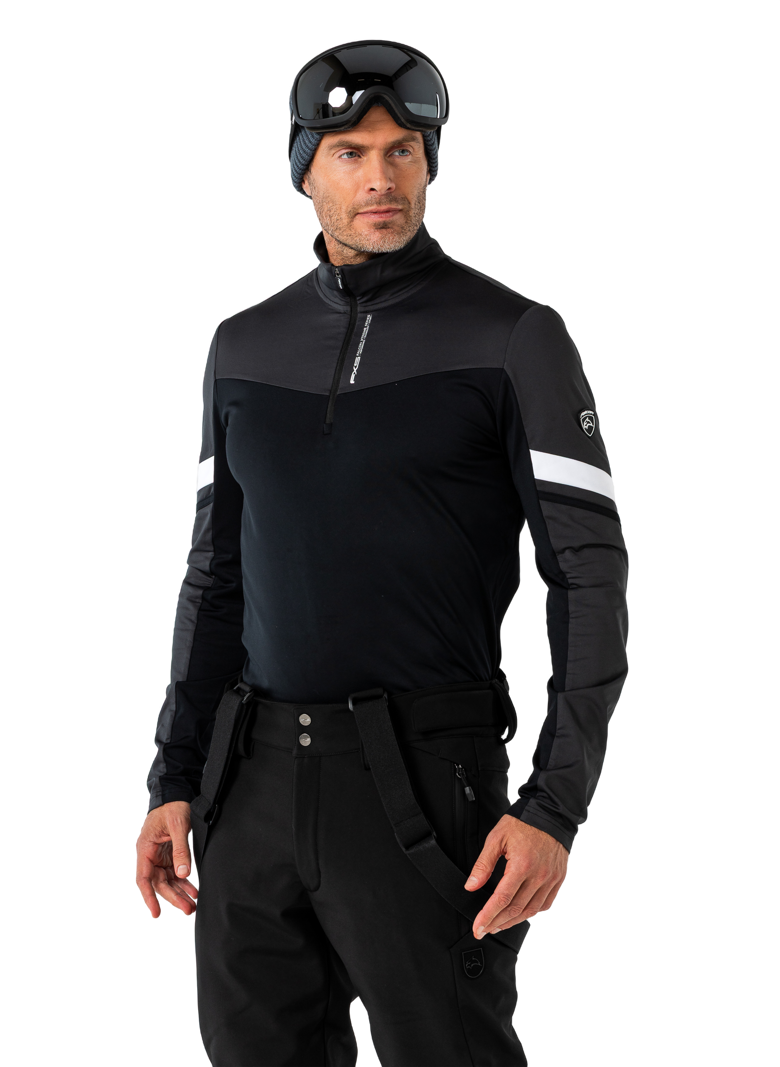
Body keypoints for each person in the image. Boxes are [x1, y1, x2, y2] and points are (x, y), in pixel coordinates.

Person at [134, 37, 629, 1067]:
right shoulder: (242, 347)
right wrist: (173, 778)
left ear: (429, 163)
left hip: (427, 783)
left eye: (404, 150)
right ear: (303, 170)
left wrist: (553, 807)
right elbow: (213, 575)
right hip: (254, 784)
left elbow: (587, 576)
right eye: (350, 152)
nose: (381, 178)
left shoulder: (512, 338)